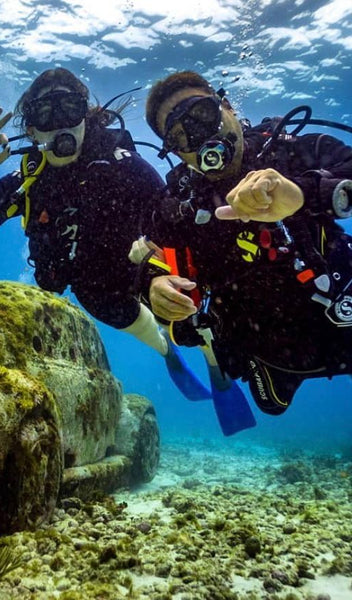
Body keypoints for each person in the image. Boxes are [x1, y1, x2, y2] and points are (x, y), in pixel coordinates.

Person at [0, 67, 218, 402]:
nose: (61, 124)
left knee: (186, 322)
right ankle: (166, 351)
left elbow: (175, 231)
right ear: (31, 129)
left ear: (86, 117)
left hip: (142, 277)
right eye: (46, 113)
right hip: (98, 292)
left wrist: (165, 279)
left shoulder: (127, 169)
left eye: (70, 109)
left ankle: (206, 348)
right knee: (118, 313)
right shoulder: (25, 183)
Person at [137, 70, 352, 431]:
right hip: (268, 350)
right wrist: (154, 287)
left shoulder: (290, 150)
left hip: (342, 307)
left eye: (201, 115)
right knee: (271, 404)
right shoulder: (178, 203)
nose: (198, 137)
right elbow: (149, 257)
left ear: (227, 107)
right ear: (175, 153)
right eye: (179, 136)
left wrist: (303, 193)